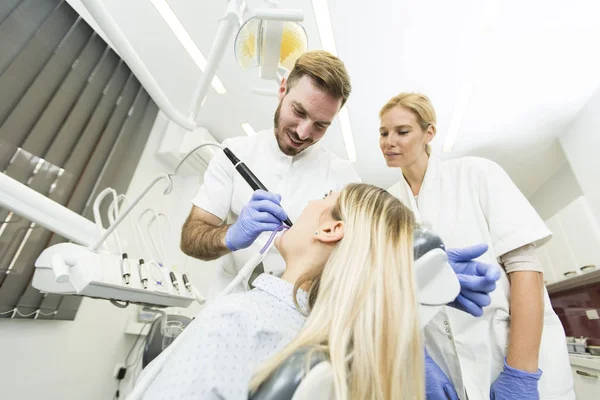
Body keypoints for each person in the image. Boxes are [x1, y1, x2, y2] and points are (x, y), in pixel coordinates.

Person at [138, 184, 440, 399]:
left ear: (331, 230)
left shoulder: (238, 322)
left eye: (324, 197)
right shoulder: (336, 346)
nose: (311, 203)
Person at [377, 92, 575, 399]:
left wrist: (520, 374)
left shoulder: (477, 174)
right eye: (383, 132)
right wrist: (419, 363)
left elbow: (526, 270)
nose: (389, 141)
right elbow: (393, 293)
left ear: (429, 133)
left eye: (402, 131)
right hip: (445, 368)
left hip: (510, 354)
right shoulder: (386, 205)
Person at [180, 50, 361, 299]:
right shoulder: (235, 152)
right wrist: (231, 235)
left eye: (320, 125)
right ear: (283, 89)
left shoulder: (344, 179)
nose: (304, 133)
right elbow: (191, 239)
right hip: (226, 302)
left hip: (294, 315)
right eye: (299, 111)